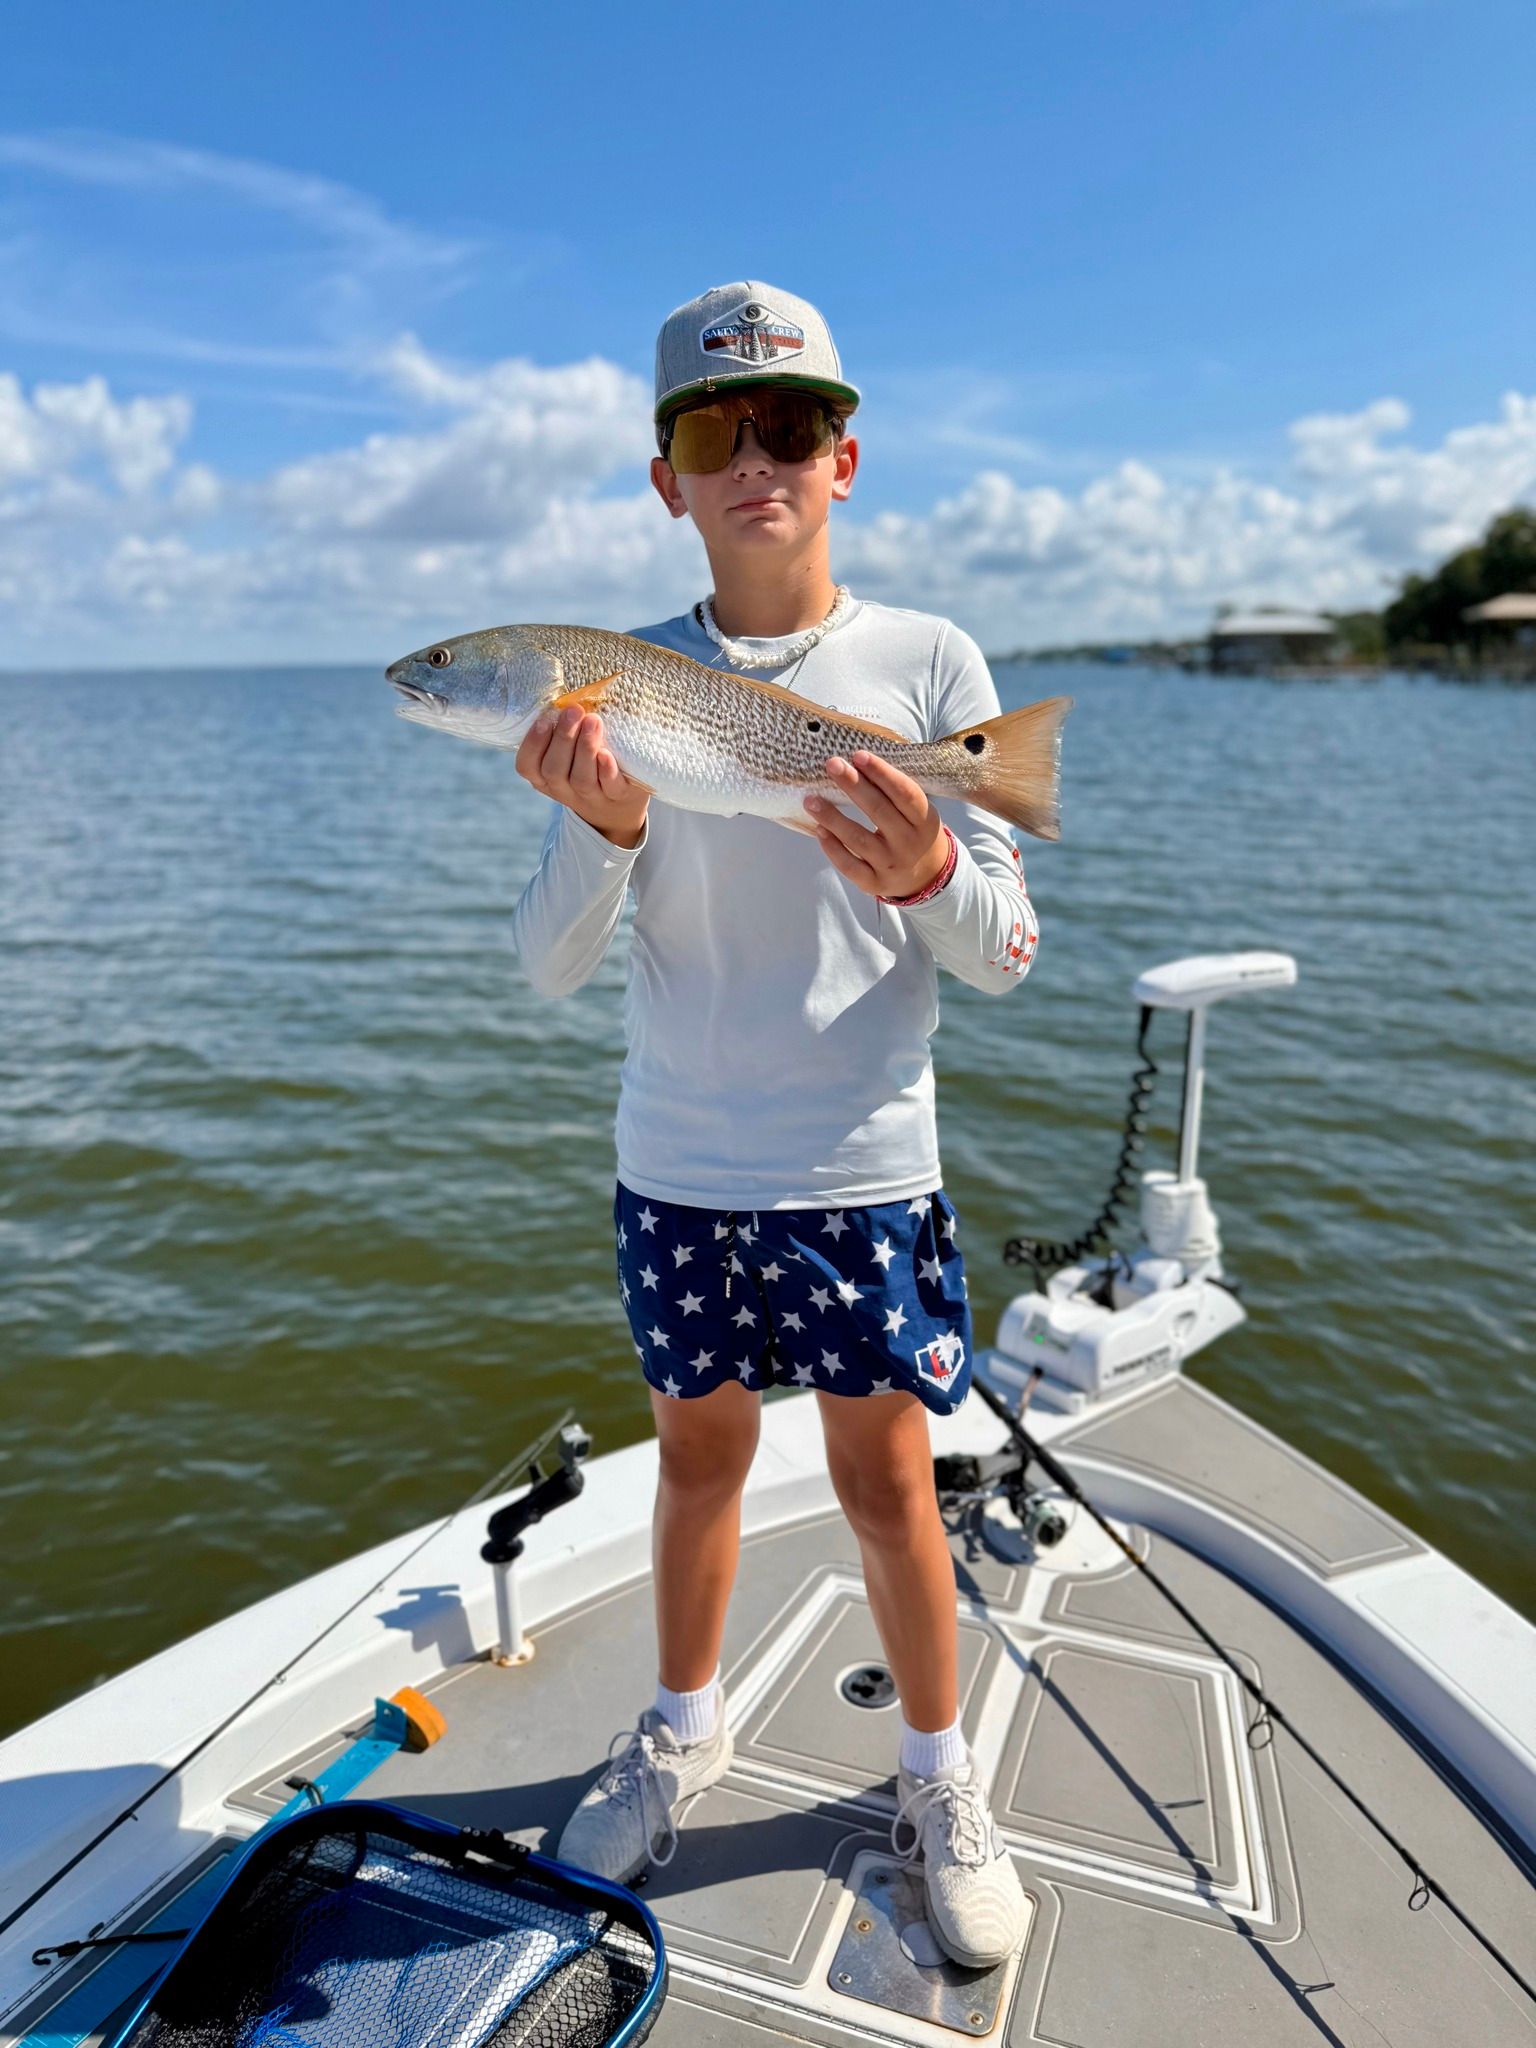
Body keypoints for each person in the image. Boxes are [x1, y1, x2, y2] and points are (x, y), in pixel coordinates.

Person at [509, 281, 1038, 1969]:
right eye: (713, 432)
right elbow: (544, 971)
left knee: (891, 1478)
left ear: (846, 457)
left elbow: (1011, 951)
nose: (758, 461)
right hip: (679, 1163)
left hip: (865, 1163)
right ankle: (683, 1729)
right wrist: (598, 832)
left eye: (792, 427)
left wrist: (937, 867)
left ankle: (941, 1780)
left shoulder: (931, 664)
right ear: (667, 476)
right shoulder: (615, 684)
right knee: (697, 1462)